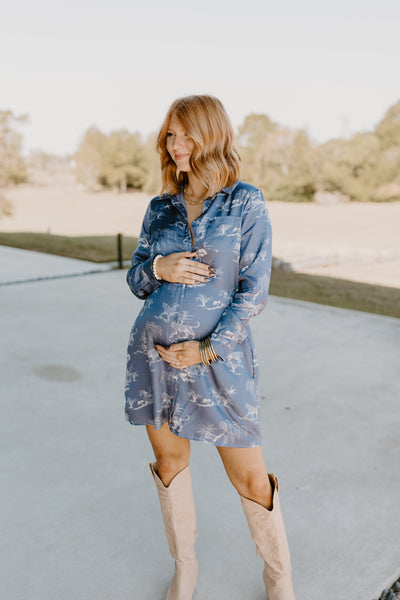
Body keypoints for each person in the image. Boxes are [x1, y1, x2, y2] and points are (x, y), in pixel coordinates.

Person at [125, 94, 296, 600]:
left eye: (187, 133)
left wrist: (207, 348)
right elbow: (136, 277)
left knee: (250, 477)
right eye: (170, 135)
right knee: (171, 467)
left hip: (220, 363)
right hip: (154, 359)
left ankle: (279, 579)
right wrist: (160, 268)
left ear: (213, 134)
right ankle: (186, 569)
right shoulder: (159, 208)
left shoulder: (246, 201)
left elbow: (254, 292)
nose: (177, 145)